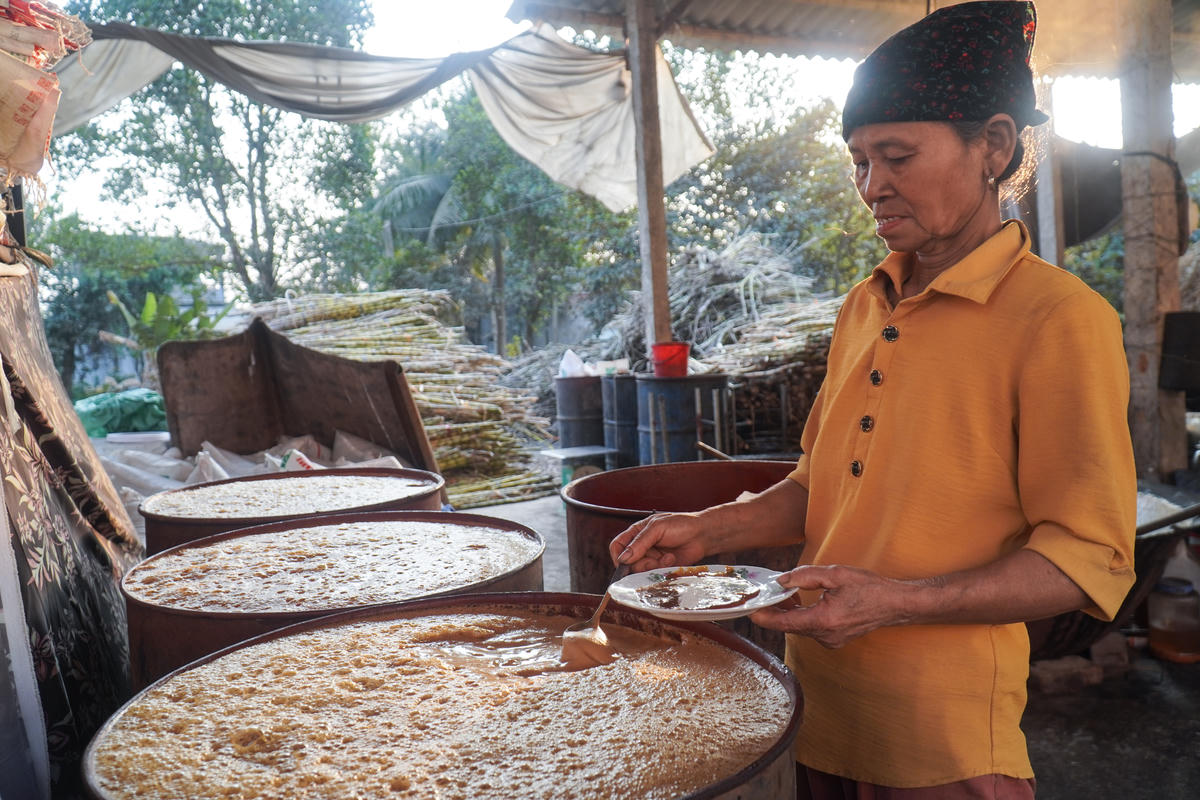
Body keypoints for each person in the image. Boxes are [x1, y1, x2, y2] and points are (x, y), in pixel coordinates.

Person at [609, 3, 1137, 798]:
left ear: (994, 146)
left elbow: (1088, 558)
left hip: (941, 745)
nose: (871, 186)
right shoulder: (866, 303)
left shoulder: (1059, 319)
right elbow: (821, 488)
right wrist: (707, 530)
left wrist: (895, 603)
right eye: (859, 160)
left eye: (897, 156)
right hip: (812, 711)